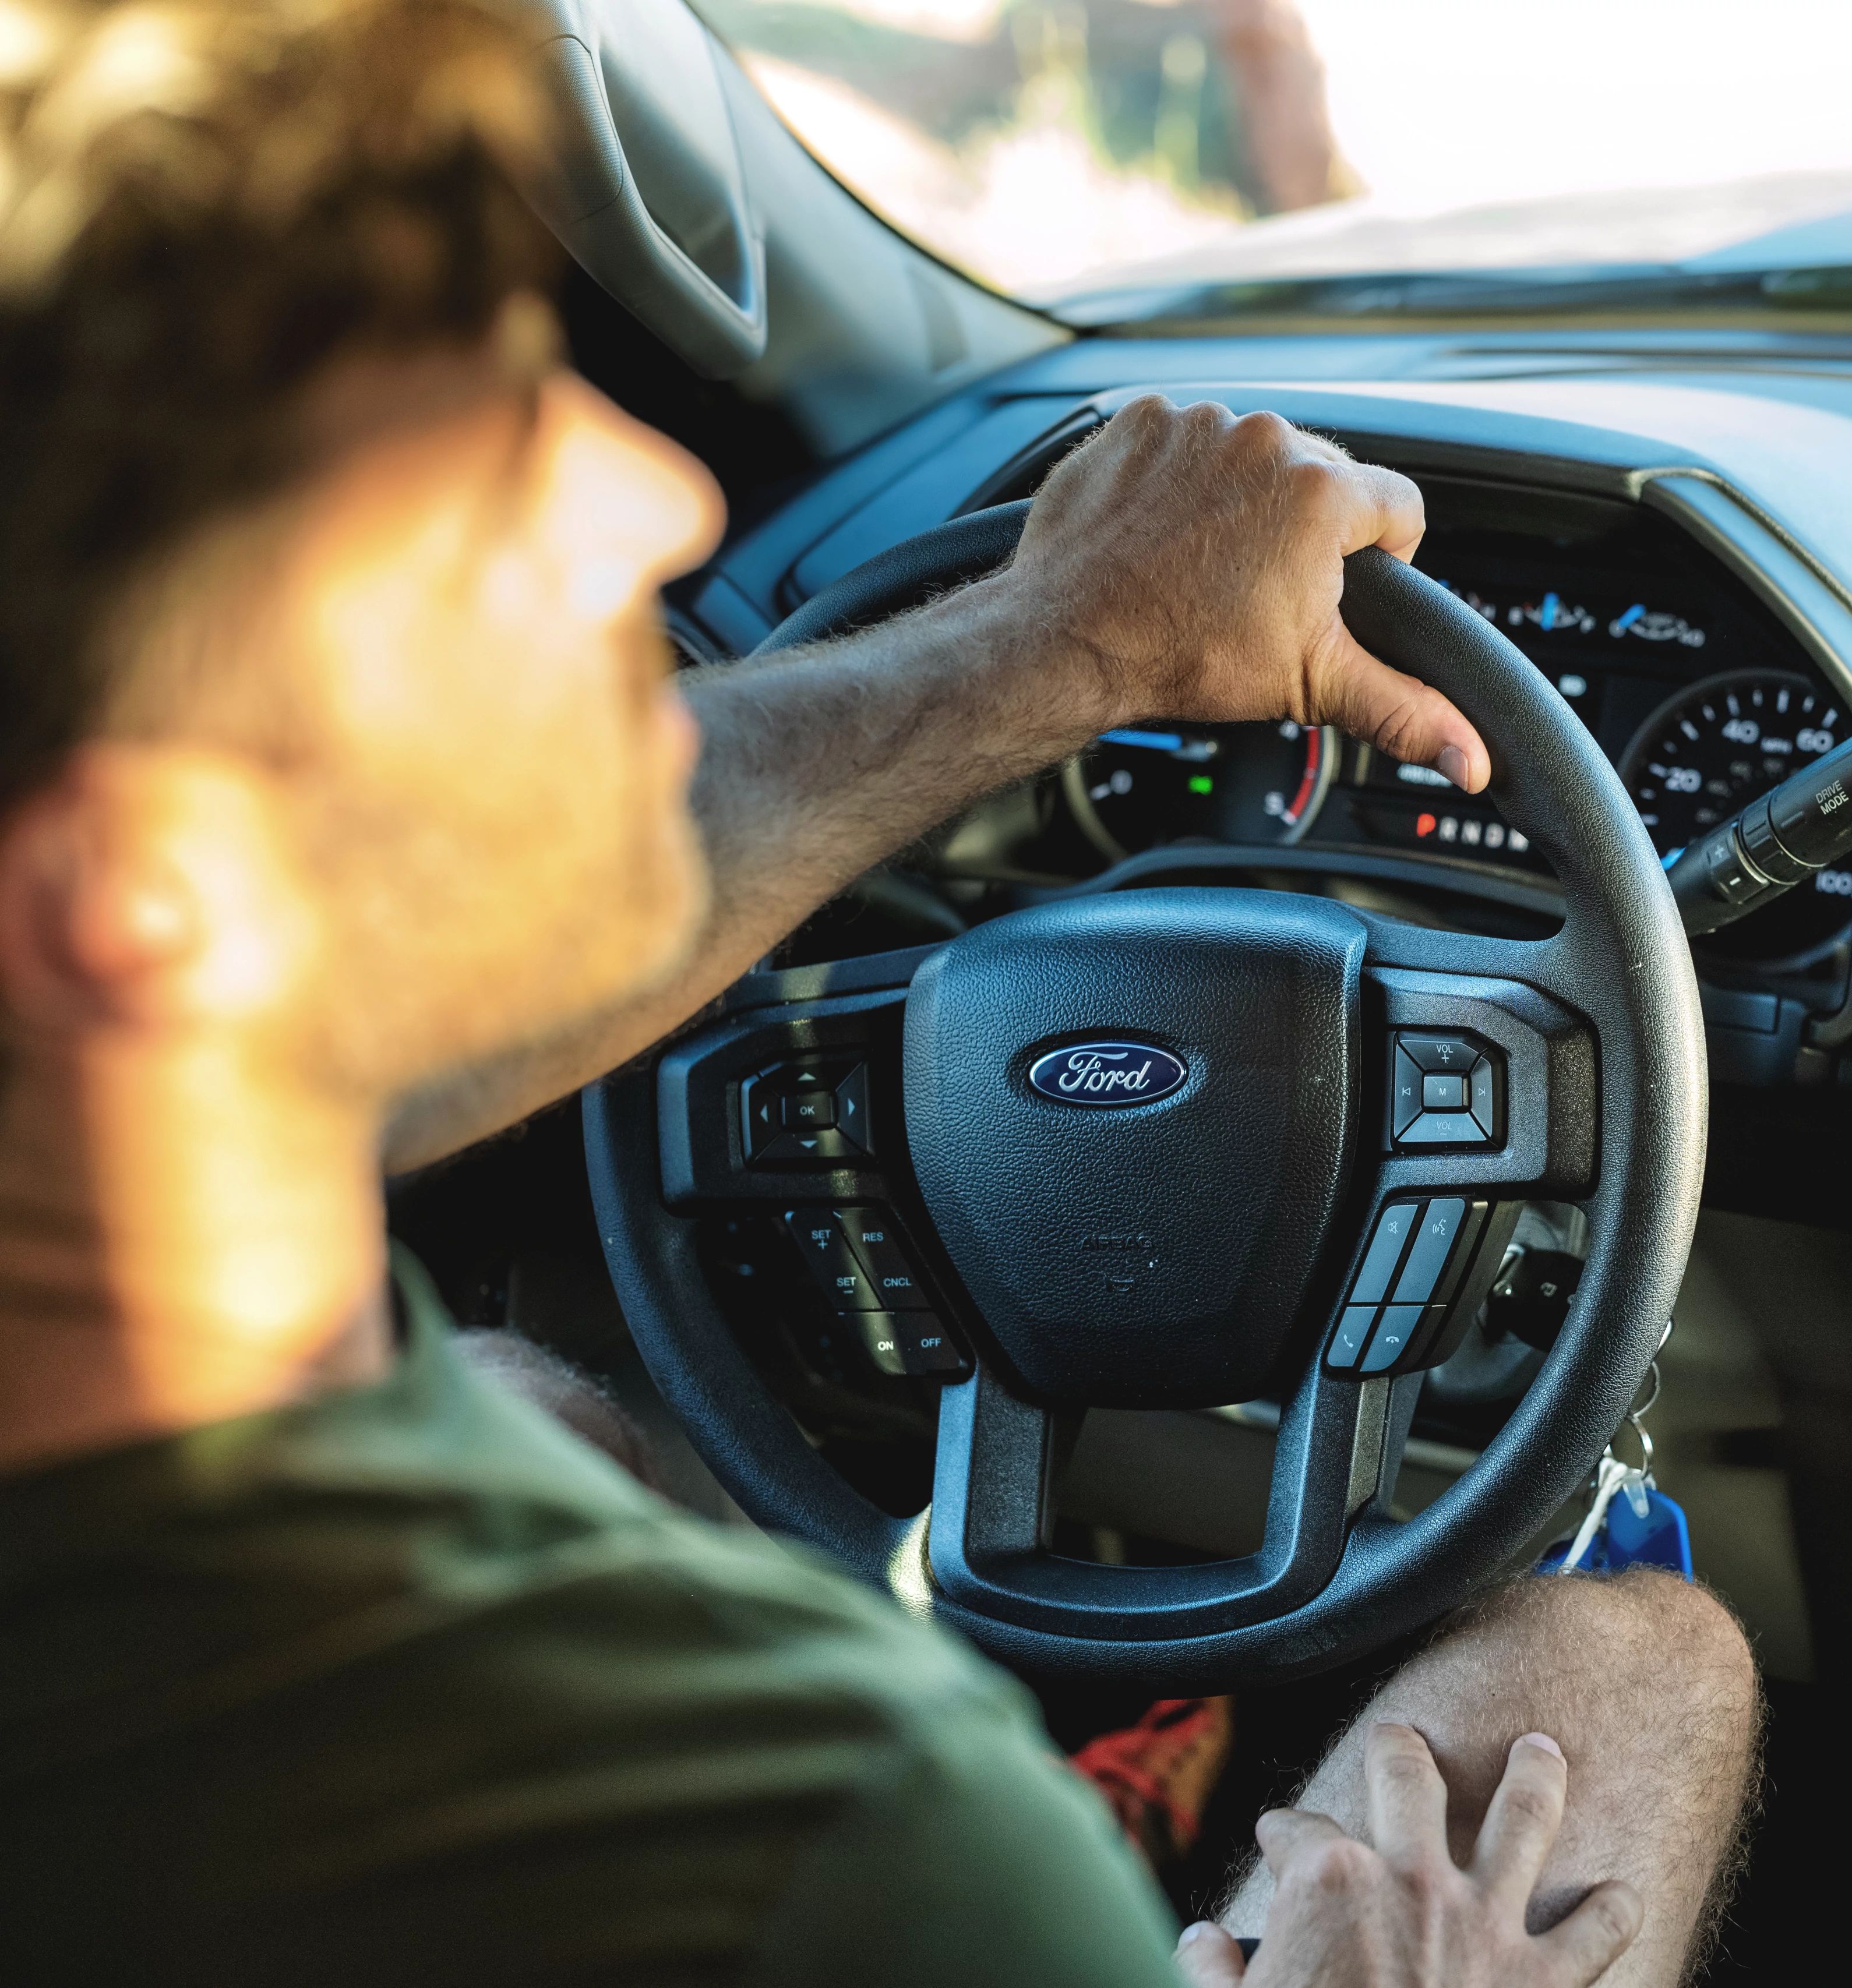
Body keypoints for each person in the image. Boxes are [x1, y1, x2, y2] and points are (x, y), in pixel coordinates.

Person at [0, 3, 1761, 1984]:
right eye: (481, 459)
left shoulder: (123, 1070)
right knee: (1637, 1659)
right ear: (148, 894)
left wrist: (1059, 635)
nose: (648, 500)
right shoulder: (852, 1854)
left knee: (517, 1392)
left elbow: (474, 890)